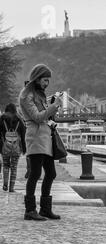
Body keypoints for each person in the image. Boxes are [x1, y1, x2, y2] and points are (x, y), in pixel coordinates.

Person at [19, 64, 62, 221]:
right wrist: (54, 106)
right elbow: (37, 117)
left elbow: (45, 117)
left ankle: (45, 209)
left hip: (46, 138)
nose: (47, 84)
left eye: (48, 80)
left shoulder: (39, 94)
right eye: (45, 80)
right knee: (35, 173)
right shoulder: (26, 96)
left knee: (51, 173)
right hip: (36, 138)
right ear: (36, 79)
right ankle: (30, 210)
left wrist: (51, 108)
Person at [0, 103, 27, 192]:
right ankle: (11, 188)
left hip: (5, 148)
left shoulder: (2, 120)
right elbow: (23, 136)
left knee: (6, 165)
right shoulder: (20, 121)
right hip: (16, 148)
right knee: (14, 167)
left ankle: (5, 184)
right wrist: (24, 149)